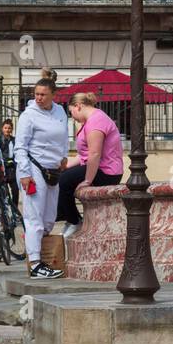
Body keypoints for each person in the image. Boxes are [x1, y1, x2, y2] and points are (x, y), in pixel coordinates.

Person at [15, 73, 69, 279]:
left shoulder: (60, 112)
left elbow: (64, 135)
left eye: (43, 95)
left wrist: (64, 156)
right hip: (34, 168)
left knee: (49, 218)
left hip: (54, 169)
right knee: (34, 216)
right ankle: (36, 263)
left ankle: (44, 256)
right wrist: (25, 173)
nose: (39, 98)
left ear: (53, 95)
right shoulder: (28, 116)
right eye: (36, 94)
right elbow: (20, 147)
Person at [58, 92, 125, 239]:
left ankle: (74, 221)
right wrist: (64, 165)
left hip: (107, 172)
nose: (72, 116)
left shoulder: (96, 121)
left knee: (64, 181)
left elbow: (94, 154)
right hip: (98, 168)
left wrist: (87, 180)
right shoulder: (90, 121)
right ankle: (70, 218)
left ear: (78, 106)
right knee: (60, 177)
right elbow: (83, 156)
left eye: (71, 112)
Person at [0, 119, 18, 210]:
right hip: (4, 169)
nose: (7, 130)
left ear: (12, 129)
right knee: (6, 193)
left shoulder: (14, 140)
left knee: (15, 191)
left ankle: (15, 210)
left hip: (13, 169)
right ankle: (7, 211)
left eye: (9, 128)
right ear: (2, 129)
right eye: (5, 128)